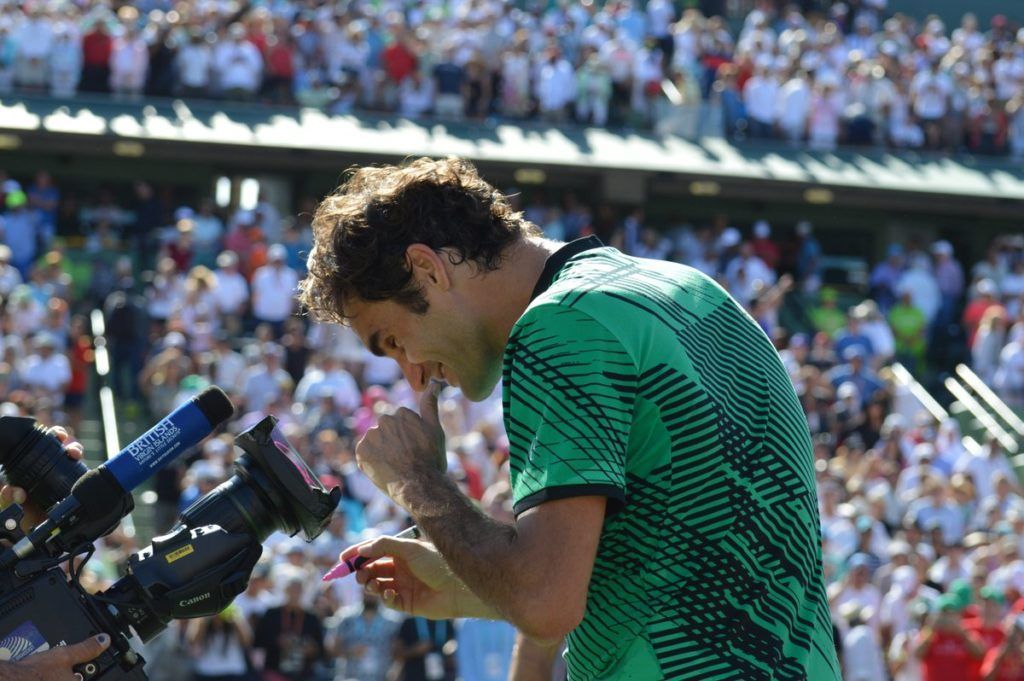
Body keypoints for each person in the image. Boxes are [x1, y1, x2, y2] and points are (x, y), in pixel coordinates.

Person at [302, 158, 840, 678]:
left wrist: (416, 479)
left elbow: (545, 603)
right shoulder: (689, 288)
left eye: (395, 341)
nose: (415, 376)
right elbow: (693, 569)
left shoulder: (558, 326)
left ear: (427, 269)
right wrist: (463, 581)